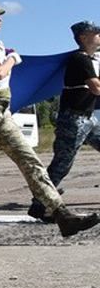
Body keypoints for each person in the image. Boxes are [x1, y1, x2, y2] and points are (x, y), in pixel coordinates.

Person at [0, 0, 99, 241]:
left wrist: (8, 55)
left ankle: (62, 215)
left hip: (2, 112)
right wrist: (12, 59)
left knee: (30, 161)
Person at [28, 21, 100, 220]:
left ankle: (41, 200)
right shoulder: (80, 59)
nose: (99, 35)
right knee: (62, 164)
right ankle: (39, 203)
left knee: (62, 163)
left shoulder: (91, 59)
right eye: (95, 33)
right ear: (83, 38)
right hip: (73, 120)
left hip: (88, 119)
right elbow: (96, 88)